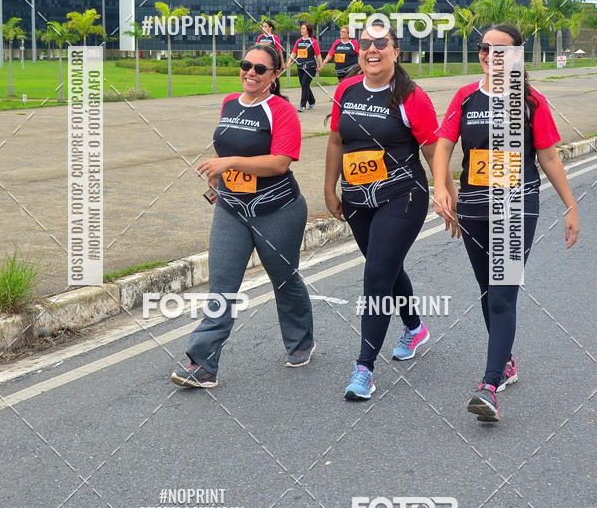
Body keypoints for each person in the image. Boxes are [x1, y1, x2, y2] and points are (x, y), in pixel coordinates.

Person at [432, 24, 579, 422]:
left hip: (517, 206)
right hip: (475, 208)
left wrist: (570, 205)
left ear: (517, 55)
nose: (490, 55)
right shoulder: (465, 97)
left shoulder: (530, 101)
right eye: (484, 48)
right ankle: (506, 362)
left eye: (501, 50)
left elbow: (548, 157)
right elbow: (443, 145)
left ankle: (489, 385)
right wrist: (442, 188)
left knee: (502, 294)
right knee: (487, 291)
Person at [324, 23, 459, 400]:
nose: (372, 49)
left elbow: (434, 149)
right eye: (365, 43)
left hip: (402, 197)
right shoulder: (346, 89)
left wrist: (444, 189)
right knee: (387, 267)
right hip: (356, 200)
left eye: (381, 43)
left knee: (376, 278)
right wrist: (328, 188)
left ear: (396, 51)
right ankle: (414, 327)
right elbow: (337, 140)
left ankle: (364, 368)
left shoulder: (410, 97)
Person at [171, 44, 315, 388]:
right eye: (246, 65)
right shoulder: (230, 103)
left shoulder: (280, 111)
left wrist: (229, 164)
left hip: (278, 210)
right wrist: (220, 176)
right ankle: (203, 364)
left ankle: (300, 341)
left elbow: (280, 162)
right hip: (232, 209)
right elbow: (229, 149)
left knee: (284, 279)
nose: (250, 72)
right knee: (221, 287)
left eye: (260, 69)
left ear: (275, 76)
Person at [287, 22, 322, 112]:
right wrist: (289, 61)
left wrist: (321, 65)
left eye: (303, 28)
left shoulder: (313, 42)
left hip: (310, 67)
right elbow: (294, 52)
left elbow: (318, 55)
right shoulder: (298, 41)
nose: (301, 30)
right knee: (304, 85)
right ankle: (312, 101)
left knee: (305, 85)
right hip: (300, 67)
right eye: (301, 28)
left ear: (308, 30)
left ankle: (302, 106)